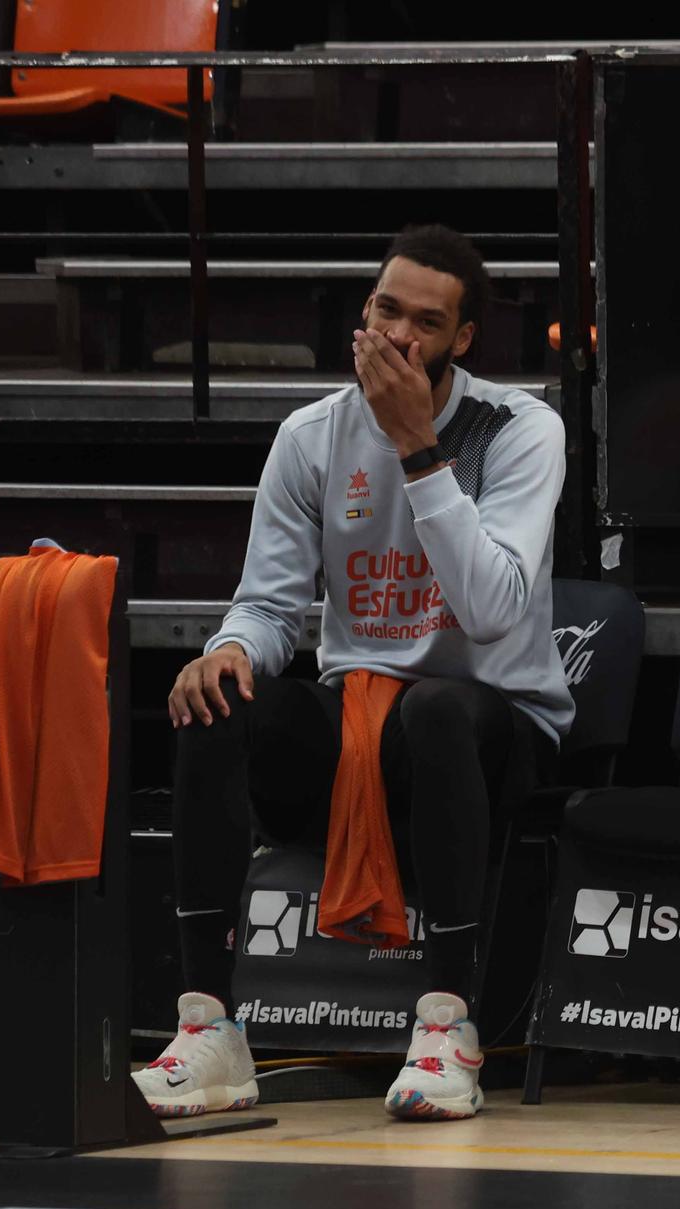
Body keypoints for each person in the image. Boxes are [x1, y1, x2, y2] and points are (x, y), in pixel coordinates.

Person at [136, 224, 572, 1122]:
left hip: (492, 727)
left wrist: (419, 449)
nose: (400, 336)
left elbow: (492, 612)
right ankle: (210, 1030)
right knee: (215, 703)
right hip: (360, 722)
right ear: (362, 315)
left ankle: (449, 1028)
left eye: (426, 322)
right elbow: (268, 607)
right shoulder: (311, 437)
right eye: (386, 309)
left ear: (462, 341)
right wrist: (227, 650)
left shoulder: (521, 429)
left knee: (441, 709)